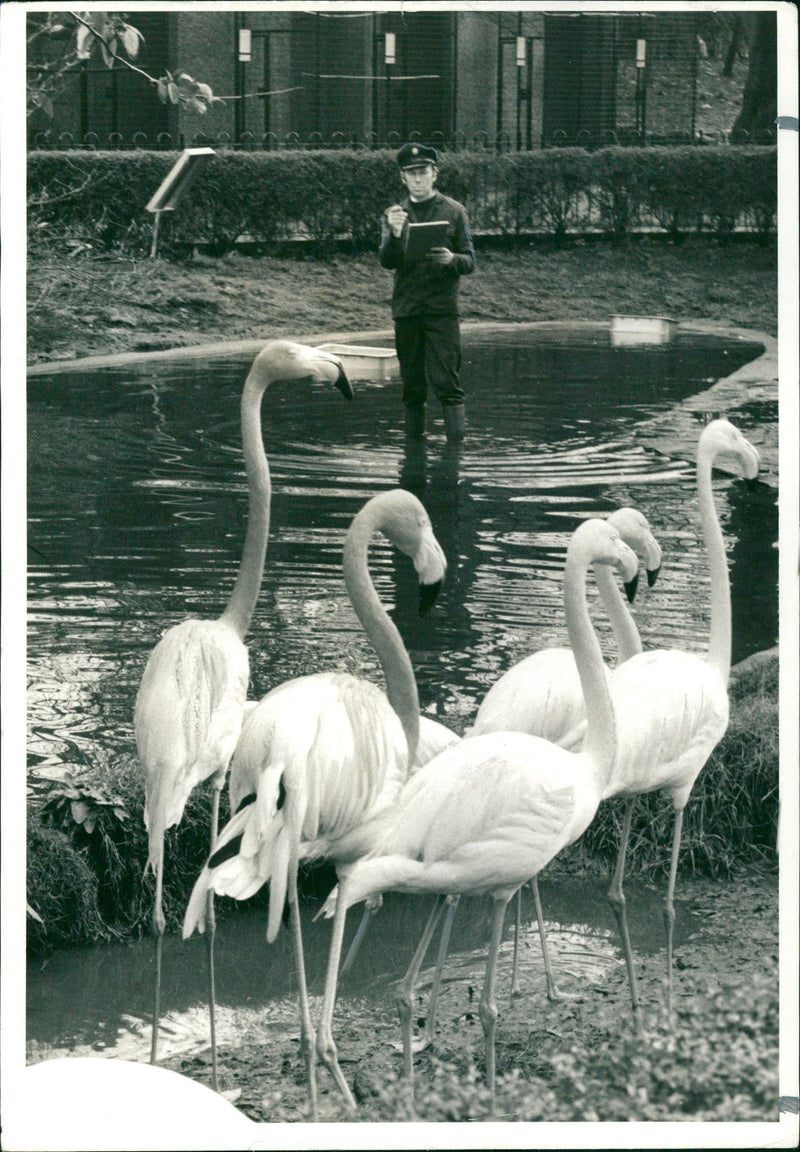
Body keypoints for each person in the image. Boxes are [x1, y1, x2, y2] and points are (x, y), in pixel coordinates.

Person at [379, 143, 476, 442]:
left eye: (423, 172)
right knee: (412, 385)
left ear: (435, 174)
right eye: (411, 174)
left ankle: (455, 455)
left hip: (441, 310)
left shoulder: (454, 211)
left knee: (447, 381)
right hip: (407, 309)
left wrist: (451, 259)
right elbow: (387, 261)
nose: (417, 179)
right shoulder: (395, 215)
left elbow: (469, 260)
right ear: (402, 178)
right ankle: (413, 455)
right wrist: (394, 234)